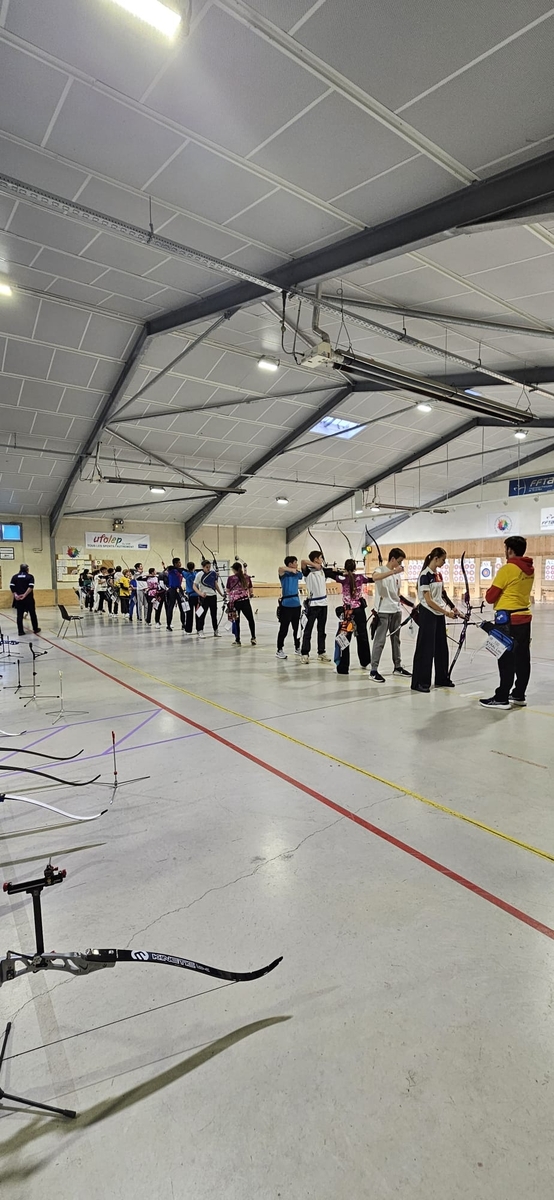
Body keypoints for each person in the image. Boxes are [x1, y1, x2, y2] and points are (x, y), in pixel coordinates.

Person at [479, 536, 534, 709]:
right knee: (522, 657)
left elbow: (490, 597)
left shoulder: (508, 569)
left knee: (506, 658)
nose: (505, 552)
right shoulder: (529, 569)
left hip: (508, 621)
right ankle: (518, 694)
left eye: (505, 549)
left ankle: (501, 697)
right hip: (524, 618)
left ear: (510, 550)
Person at [411, 548, 461, 693]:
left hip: (438, 614)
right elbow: (428, 600)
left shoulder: (438, 575)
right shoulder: (424, 575)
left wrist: (453, 608)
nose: (444, 562)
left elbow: (442, 594)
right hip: (428, 613)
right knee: (426, 648)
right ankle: (421, 682)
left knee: (441, 647)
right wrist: (446, 612)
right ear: (436, 558)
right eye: (443, 559)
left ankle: (442, 678)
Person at [369, 548, 412, 681]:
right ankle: (373, 670)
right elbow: (374, 577)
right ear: (393, 559)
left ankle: (397, 667)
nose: (400, 564)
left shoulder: (397, 575)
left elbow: (397, 594)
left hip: (396, 611)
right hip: (383, 611)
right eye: (399, 561)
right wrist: (393, 572)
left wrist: (411, 605)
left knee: (396, 640)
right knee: (380, 641)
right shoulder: (381, 570)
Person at [335, 559, 373, 674]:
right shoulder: (360, 577)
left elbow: (331, 574)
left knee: (344, 638)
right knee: (362, 636)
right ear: (355, 568)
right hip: (359, 611)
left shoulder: (343, 578)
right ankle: (365, 661)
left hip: (348, 612)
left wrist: (340, 571)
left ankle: (343, 667)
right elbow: (372, 579)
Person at [299, 551, 336, 663]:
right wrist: (314, 565)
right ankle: (305, 653)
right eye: (320, 557)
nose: (322, 559)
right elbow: (303, 562)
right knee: (308, 630)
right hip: (313, 605)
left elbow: (334, 572)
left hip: (323, 604)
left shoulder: (322, 571)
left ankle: (321, 652)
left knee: (322, 630)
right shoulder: (308, 571)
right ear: (315, 559)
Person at [276, 556, 303, 659]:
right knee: (284, 628)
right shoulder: (284, 574)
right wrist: (291, 570)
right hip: (286, 605)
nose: (297, 564)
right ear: (290, 564)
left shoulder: (297, 573)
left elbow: (301, 575)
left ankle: (297, 647)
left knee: (297, 628)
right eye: (295, 562)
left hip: (296, 604)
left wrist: (295, 570)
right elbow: (280, 568)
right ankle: (279, 650)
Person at [226, 562, 256, 645]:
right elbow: (251, 589)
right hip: (245, 601)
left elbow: (228, 590)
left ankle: (237, 639)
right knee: (250, 619)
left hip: (236, 603)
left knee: (236, 621)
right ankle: (253, 637)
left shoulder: (230, 578)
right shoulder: (247, 577)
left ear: (233, 569)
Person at [194, 559, 223, 637]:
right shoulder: (199, 574)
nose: (208, 568)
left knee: (214, 615)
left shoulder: (213, 573)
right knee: (202, 614)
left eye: (209, 567)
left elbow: (215, 584)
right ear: (203, 567)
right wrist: (200, 593)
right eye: (207, 567)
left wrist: (221, 594)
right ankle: (200, 630)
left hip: (213, 596)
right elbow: (194, 586)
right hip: (204, 597)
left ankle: (216, 630)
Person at [10, 564, 40, 636]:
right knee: (32, 614)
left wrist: (16, 595)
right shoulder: (30, 576)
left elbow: (11, 586)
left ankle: (20, 631)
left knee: (19, 615)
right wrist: (24, 595)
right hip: (28, 599)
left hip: (18, 599)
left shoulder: (15, 577)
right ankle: (35, 629)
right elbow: (30, 587)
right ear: (27, 569)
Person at [166, 557, 188, 631]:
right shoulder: (171, 570)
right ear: (175, 563)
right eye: (178, 562)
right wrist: (179, 568)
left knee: (182, 607)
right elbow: (169, 567)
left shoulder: (180, 571)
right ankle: (168, 625)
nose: (180, 563)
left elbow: (184, 571)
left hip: (179, 589)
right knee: (171, 607)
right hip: (172, 589)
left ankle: (183, 624)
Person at [183, 561, 201, 634]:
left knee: (189, 614)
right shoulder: (196, 574)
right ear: (194, 567)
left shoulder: (186, 574)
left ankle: (188, 630)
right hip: (197, 596)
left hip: (190, 596)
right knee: (198, 613)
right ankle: (199, 629)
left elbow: (181, 570)